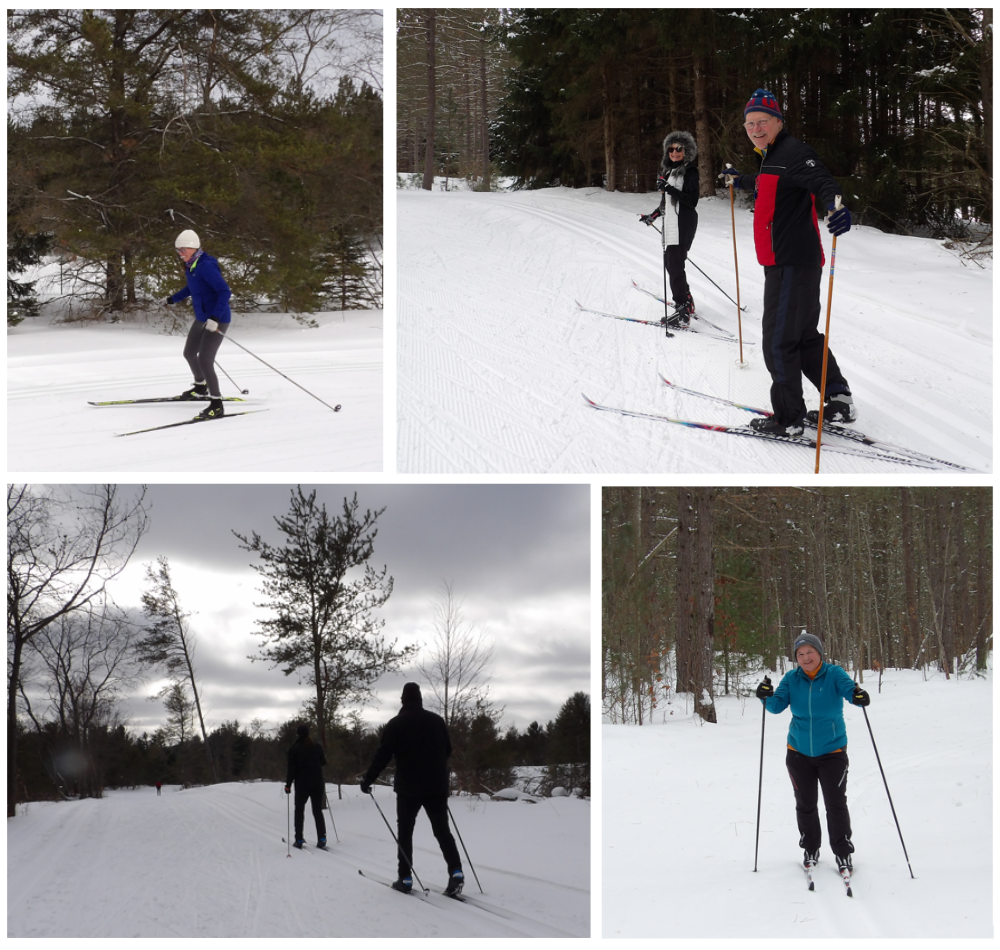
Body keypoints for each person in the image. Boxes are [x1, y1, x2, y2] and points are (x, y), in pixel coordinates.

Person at [722, 89, 855, 437]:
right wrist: (740, 180)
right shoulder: (771, 158)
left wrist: (835, 205)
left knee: (779, 342)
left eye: (762, 121)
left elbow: (822, 181)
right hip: (794, 261)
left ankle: (788, 419)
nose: (755, 128)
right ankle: (839, 399)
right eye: (750, 123)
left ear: (779, 121)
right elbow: (767, 183)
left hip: (791, 262)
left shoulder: (795, 152)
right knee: (804, 337)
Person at [755, 632, 870, 877]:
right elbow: (776, 706)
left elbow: (851, 692)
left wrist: (859, 697)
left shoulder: (834, 674)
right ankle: (810, 849)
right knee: (805, 804)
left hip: (832, 751)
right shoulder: (791, 678)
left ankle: (842, 851)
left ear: (819, 653)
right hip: (798, 753)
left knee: (835, 804)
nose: (806, 658)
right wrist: (765, 696)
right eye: (800, 654)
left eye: (810, 652)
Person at [360, 683, 464, 896]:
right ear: (420, 699)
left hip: (408, 787)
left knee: (405, 832)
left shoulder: (396, 724)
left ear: (403, 700)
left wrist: (368, 779)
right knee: (442, 831)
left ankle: (405, 878)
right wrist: (434, 768)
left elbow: (383, 755)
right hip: (436, 785)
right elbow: (447, 750)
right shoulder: (436, 721)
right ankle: (456, 873)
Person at [163, 229, 232, 420]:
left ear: (193, 248)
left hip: (217, 319)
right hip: (202, 317)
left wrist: (216, 318)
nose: (180, 254)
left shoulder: (206, 266)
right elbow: (192, 288)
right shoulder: (192, 266)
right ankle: (201, 387)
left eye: (183, 249)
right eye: (178, 250)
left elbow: (224, 292)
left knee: (205, 359)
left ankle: (217, 404)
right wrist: (172, 299)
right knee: (189, 353)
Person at [639, 130, 700, 327]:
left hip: (684, 222)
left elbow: (692, 200)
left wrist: (668, 188)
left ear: (686, 150)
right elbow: (666, 203)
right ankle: (687, 300)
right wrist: (653, 216)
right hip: (671, 223)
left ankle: (682, 311)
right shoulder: (668, 172)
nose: (674, 152)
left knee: (674, 265)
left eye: (679, 148)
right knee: (671, 264)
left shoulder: (690, 171)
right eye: (671, 149)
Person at [285, 723, 328, 849]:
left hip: (302, 784)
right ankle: (322, 838)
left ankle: (299, 839)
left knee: (299, 810)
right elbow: (323, 762)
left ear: (298, 734)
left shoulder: (294, 749)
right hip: (317, 783)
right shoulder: (317, 747)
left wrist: (288, 785)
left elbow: (291, 770)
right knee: (317, 811)